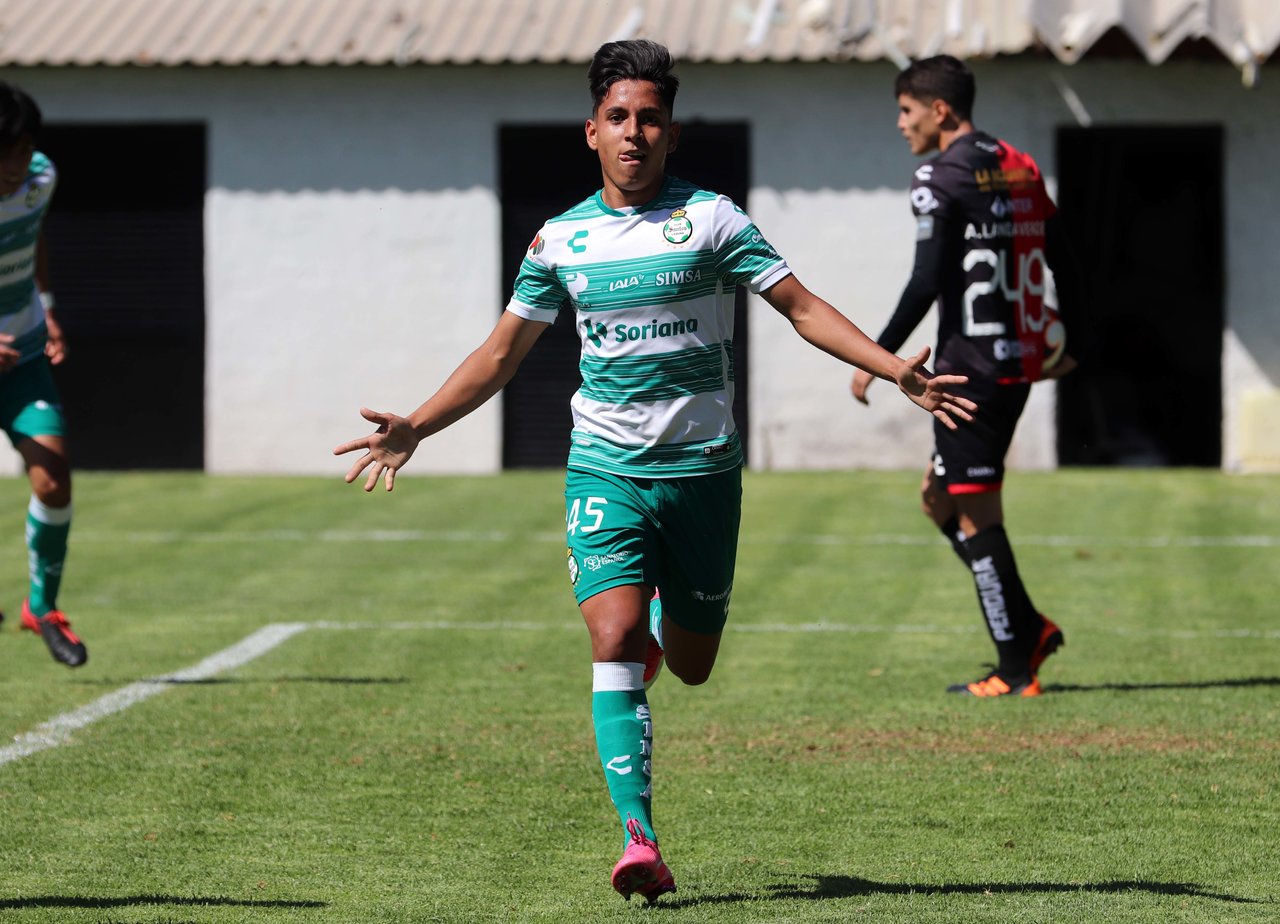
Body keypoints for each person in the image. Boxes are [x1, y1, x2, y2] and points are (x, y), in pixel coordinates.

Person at [336, 40, 975, 903]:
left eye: (649, 119)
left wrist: (893, 367)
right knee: (613, 640)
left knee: (692, 662)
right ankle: (639, 837)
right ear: (591, 132)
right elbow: (498, 357)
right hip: (604, 469)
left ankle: (668, 625)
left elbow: (800, 308)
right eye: (618, 118)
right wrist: (418, 423)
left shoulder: (712, 221)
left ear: (670, 134)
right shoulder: (560, 240)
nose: (633, 133)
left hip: (703, 476)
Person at [851, 55, 1083, 698]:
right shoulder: (1020, 165)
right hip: (1016, 364)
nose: (901, 124)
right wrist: (1073, 344)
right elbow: (1066, 260)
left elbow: (926, 280)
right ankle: (1028, 628)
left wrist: (877, 357)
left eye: (906, 111)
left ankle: (1015, 666)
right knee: (939, 498)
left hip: (969, 375)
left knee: (977, 515)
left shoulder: (939, 174)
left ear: (940, 110)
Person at [0, 82, 85, 668]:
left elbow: (32, 237)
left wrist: (48, 306)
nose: (17, 165)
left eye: (24, 149)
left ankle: (42, 607)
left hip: (24, 359)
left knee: (53, 481)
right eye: (5, 154)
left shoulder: (39, 178)